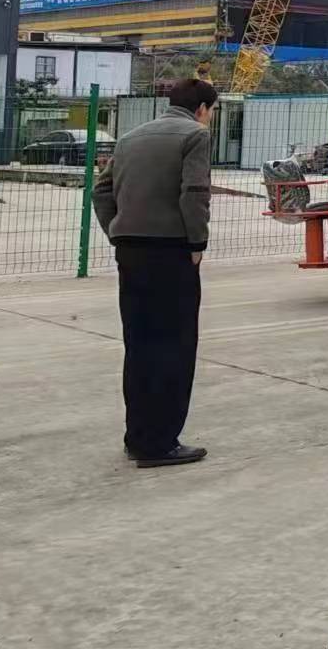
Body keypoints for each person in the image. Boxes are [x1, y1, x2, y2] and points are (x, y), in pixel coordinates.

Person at [92, 76, 217, 469]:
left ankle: (138, 436)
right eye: (211, 112)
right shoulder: (195, 135)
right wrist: (196, 244)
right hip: (171, 251)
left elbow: (101, 191)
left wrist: (118, 230)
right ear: (202, 109)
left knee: (140, 344)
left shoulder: (131, 137)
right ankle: (161, 443)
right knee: (174, 346)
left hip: (131, 251)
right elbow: (194, 193)